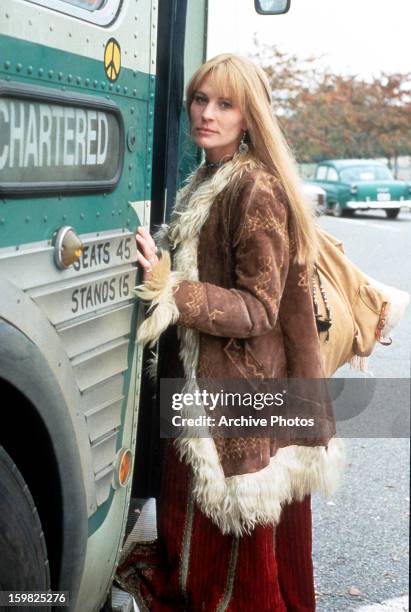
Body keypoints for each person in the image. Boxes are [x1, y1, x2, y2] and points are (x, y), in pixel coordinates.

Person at [118, 53, 345, 611]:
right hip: (205, 386)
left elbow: (258, 310)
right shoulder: (210, 177)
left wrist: (170, 287)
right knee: (199, 534)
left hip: (240, 393)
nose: (207, 114)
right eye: (200, 99)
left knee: (233, 560)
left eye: (225, 104)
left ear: (249, 117)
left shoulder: (255, 189)